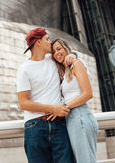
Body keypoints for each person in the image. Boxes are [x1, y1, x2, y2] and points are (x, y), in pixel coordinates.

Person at [17, 28, 76, 163]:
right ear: (38, 42)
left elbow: (67, 54)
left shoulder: (53, 61)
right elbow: (23, 103)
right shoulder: (24, 69)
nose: (50, 43)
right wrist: (53, 109)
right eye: (47, 39)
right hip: (35, 127)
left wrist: (74, 56)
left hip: (59, 124)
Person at [50, 39, 98, 163]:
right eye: (54, 51)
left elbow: (88, 93)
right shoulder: (66, 71)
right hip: (72, 118)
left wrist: (64, 107)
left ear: (66, 48)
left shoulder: (76, 63)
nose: (56, 53)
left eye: (59, 48)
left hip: (80, 116)